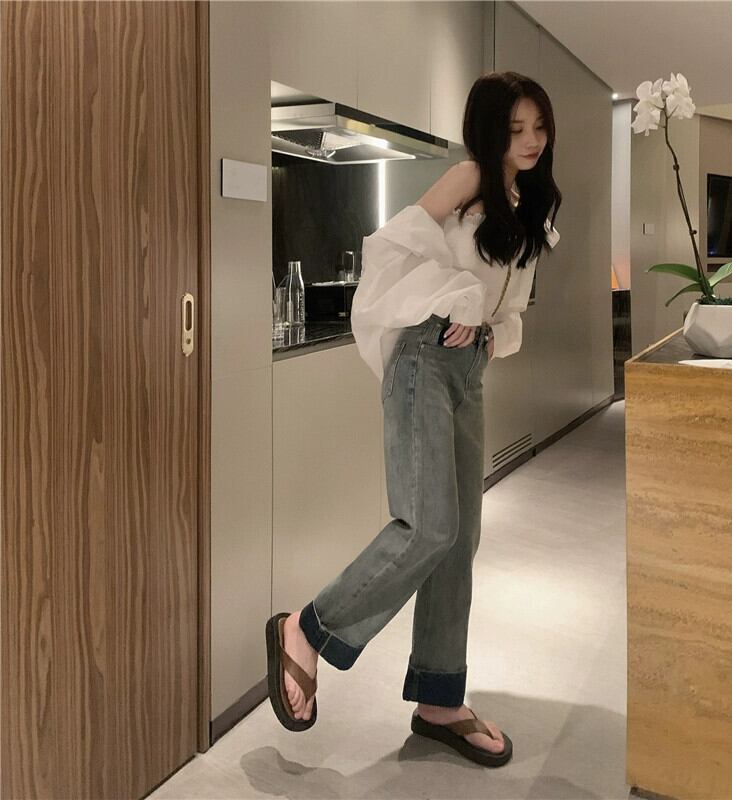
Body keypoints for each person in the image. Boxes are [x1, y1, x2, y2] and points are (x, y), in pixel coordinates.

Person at [265, 70, 562, 768]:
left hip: (468, 367)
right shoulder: (468, 178)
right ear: (489, 131)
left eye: (539, 127)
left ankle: (439, 698)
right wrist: (459, 296)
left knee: (460, 539)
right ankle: (308, 628)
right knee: (427, 525)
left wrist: (489, 327)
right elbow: (389, 249)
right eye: (514, 129)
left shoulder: (531, 207)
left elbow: (511, 308)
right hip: (424, 358)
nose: (530, 141)